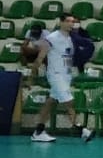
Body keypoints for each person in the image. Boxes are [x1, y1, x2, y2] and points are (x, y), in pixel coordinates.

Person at [26, 14, 92, 143]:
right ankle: (81, 129)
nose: (70, 24)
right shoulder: (52, 38)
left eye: (73, 22)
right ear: (61, 22)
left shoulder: (72, 39)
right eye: (67, 21)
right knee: (69, 102)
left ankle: (38, 132)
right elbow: (39, 59)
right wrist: (31, 77)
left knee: (51, 102)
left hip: (66, 75)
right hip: (56, 75)